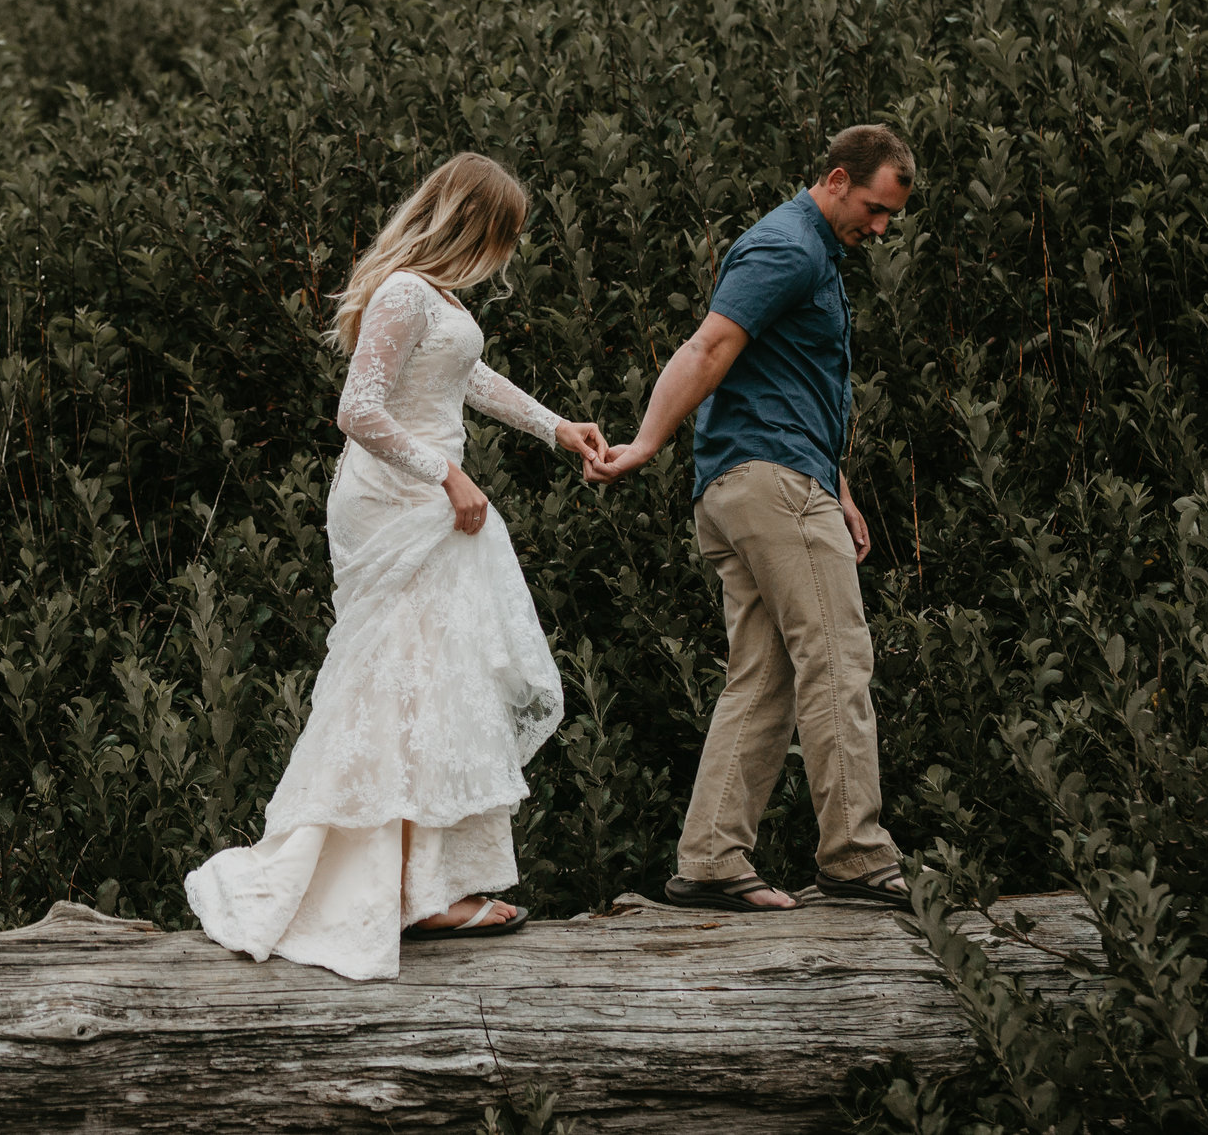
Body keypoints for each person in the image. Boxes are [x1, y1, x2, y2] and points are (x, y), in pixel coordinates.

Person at [185, 153, 609, 980]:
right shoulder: (405, 291)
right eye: (504, 236)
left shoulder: (437, 298)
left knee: (430, 683)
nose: (507, 254)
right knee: (397, 681)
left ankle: (425, 888)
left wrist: (558, 427)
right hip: (394, 504)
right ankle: (406, 893)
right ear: (472, 223)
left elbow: (467, 376)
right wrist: (446, 473)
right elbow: (357, 408)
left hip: (427, 500)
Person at [586, 125, 916, 912]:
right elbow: (709, 346)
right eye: (873, 208)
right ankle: (857, 857)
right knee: (839, 656)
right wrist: (645, 441)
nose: (879, 228)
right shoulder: (789, 247)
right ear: (837, 178)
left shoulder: (813, 254)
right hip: (770, 486)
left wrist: (836, 484)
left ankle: (707, 859)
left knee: (763, 677)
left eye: (889, 219)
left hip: (761, 480)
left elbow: (785, 378)